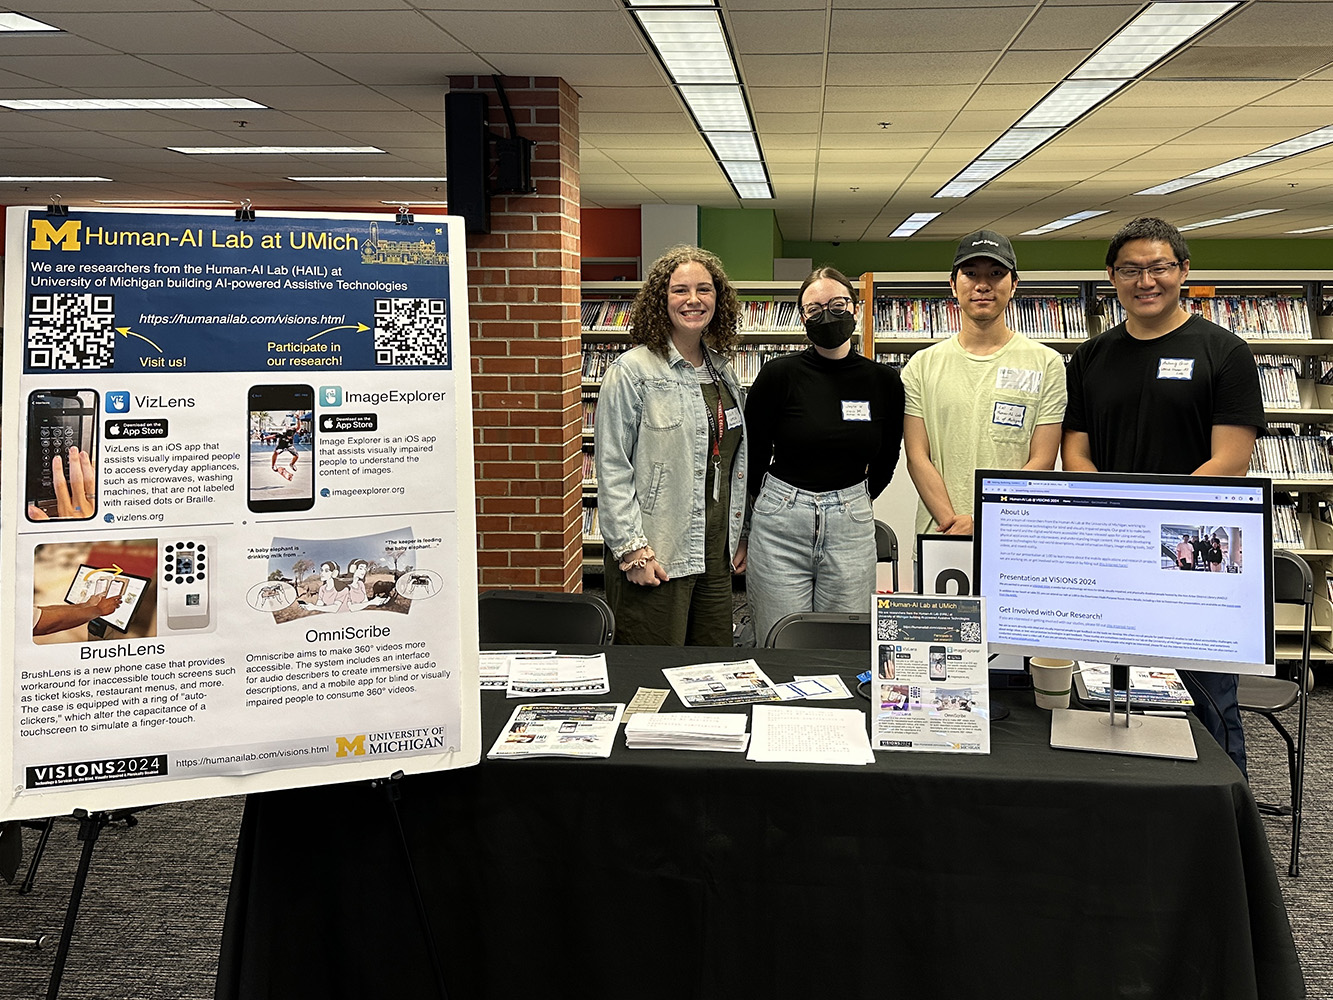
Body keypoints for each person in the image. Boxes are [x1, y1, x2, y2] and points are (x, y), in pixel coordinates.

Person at [1062, 216, 1265, 775]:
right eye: (1130, 269)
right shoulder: (1091, 357)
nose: (1145, 280)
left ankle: (1228, 828)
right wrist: (1116, 522)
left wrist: (1155, 525)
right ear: (1111, 277)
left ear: (1184, 271)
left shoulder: (1224, 352)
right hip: (1111, 550)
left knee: (1206, 698)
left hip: (1197, 552)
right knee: (1109, 694)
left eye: (1158, 267)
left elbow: (1230, 460)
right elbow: (1075, 454)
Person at [594, 245, 748, 645]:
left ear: (720, 299)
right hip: (657, 553)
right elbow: (611, 466)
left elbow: (733, 464)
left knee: (710, 669)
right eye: (680, 290)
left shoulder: (723, 372)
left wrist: (740, 533)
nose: (693, 300)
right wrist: (632, 551)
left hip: (715, 556)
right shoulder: (632, 371)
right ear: (661, 300)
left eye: (704, 289)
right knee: (653, 676)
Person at [744, 266, 904, 646]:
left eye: (837, 304)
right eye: (814, 309)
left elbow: (887, 456)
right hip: (780, 522)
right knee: (779, 642)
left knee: (842, 646)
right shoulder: (778, 375)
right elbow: (751, 453)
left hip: (850, 524)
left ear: (855, 308)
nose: (826, 315)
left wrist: (854, 500)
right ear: (802, 317)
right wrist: (762, 507)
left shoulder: (883, 381)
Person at [901, 230, 1066, 539]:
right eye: (970, 273)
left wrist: (982, 519)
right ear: (953, 284)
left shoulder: (1047, 363)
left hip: (1014, 534)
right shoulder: (921, 366)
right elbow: (917, 457)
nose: (982, 285)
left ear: (1014, 284)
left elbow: (1042, 459)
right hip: (939, 534)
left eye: (996, 273)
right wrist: (954, 524)